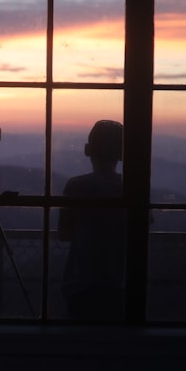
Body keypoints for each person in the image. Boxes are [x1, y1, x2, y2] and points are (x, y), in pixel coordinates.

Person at [58, 119, 126, 322]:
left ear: (88, 150)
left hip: (81, 283)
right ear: (121, 154)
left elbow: (64, 234)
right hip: (119, 282)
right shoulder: (130, 187)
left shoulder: (76, 186)